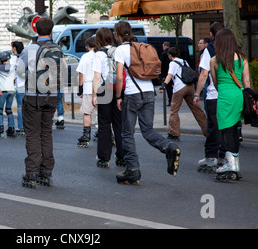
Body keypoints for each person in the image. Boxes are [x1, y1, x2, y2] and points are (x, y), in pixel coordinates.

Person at [113, 21, 181, 184]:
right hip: (149, 92)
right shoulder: (141, 47)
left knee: (127, 133)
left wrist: (118, 97)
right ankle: (168, 147)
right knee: (147, 130)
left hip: (132, 94)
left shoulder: (121, 50)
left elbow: (119, 77)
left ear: (117, 34)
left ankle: (133, 169)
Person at [17, 17, 62, 188]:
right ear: (51, 31)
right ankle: (46, 171)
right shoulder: (57, 49)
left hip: (33, 96)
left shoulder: (30, 50)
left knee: (33, 134)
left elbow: (20, 72)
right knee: (46, 133)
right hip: (51, 96)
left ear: (36, 30)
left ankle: (32, 172)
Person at [210, 28, 250, 182]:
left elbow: (215, 83)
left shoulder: (214, 60)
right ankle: (235, 162)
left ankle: (230, 164)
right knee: (235, 129)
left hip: (225, 97)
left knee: (226, 131)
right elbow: (246, 82)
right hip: (239, 96)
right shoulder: (242, 58)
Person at [92, 28, 124, 168]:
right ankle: (122, 156)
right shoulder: (118, 50)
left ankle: (104, 158)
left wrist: (94, 95)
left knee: (104, 124)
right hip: (118, 88)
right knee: (119, 124)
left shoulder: (99, 54)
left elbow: (97, 76)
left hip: (105, 89)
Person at [193, 22, 223, 173]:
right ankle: (227, 156)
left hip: (213, 94)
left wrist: (197, 93)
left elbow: (204, 74)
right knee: (227, 126)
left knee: (213, 126)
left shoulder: (209, 50)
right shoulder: (233, 49)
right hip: (230, 94)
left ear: (211, 34)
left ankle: (211, 157)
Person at [159, 47, 207, 141]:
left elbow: (170, 75)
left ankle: (174, 133)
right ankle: (207, 131)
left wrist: (164, 84)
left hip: (179, 88)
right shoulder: (184, 61)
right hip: (190, 87)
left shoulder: (172, 63)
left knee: (174, 110)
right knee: (197, 110)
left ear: (169, 55)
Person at [76, 37, 96, 148]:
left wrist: (80, 88)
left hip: (89, 87)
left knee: (87, 112)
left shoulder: (85, 57)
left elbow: (81, 74)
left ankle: (86, 136)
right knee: (102, 113)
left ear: (88, 46)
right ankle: (107, 134)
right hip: (102, 87)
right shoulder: (102, 55)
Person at [0, 51, 16, 138]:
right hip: (11, 90)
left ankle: (0, 127)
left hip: (3, 90)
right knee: (9, 109)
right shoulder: (13, 67)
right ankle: (11, 127)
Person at [11, 41, 25, 136]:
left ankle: (21, 127)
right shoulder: (25, 57)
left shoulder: (12, 59)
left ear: (15, 48)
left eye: (12, 47)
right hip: (27, 85)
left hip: (19, 85)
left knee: (20, 107)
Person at [159, 41, 173, 106]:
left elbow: (161, 64)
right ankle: (173, 100)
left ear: (164, 46)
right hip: (173, 72)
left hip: (166, 73)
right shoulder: (172, 53)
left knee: (168, 88)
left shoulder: (163, 54)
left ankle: (171, 100)